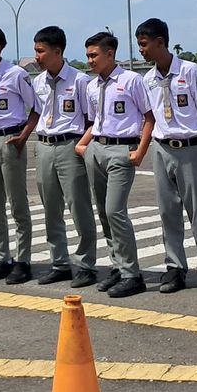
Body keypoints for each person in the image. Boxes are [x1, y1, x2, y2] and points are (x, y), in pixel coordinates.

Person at [136, 19, 197, 294]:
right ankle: (175, 267)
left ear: (161, 41)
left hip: (190, 147)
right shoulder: (148, 79)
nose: (141, 51)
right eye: (139, 45)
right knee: (168, 211)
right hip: (162, 148)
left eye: (144, 44)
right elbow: (150, 115)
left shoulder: (189, 71)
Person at [75, 31, 153, 298]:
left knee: (115, 211)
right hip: (97, 148)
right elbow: (94, 120)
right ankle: (118, 267)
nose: (90, 60)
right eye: (87, 55)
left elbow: (149, 117)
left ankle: (133, 274)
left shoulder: (132, 80)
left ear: (110, 53)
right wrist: (83, 146)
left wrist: (140, 151)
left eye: (94, 55)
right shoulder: (91, 85)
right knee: (104, 214)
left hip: (122, 150)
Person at [29, 26, 99, 288]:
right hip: (45, 146)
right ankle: (59, 262)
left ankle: (86, 264)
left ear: (57, 51)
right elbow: (37, 112)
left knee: (78, 206)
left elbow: (91, 118)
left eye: (40, 51)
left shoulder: (80, 81)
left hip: (70, 145)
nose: (36, 56)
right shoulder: (38, 82)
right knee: (51, 208)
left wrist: (81, 146)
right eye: (35, 50)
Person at [0, 25, 39, 282]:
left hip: (10, 140)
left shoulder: (16, 74)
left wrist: (23, 136)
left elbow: (36, 107)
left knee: (18, 204)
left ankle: (23, 261)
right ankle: (3, 257)